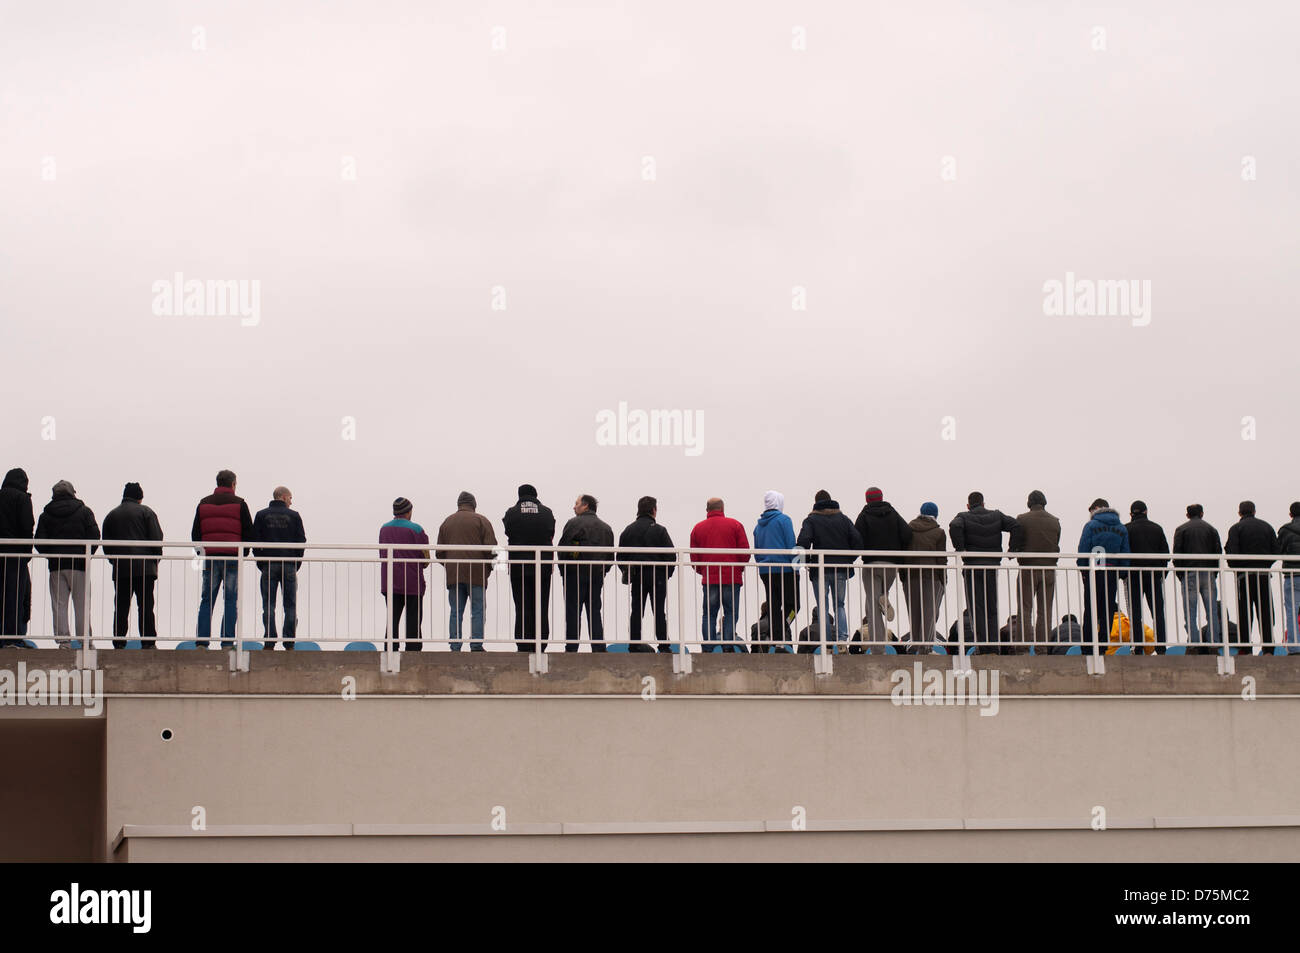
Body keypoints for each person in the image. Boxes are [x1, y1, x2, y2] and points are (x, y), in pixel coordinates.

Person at [191, 470, 255, 649]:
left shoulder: (203, 503)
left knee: (207, 600)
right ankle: (227, 642)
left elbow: (195, 533)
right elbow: (249, 532)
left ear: (218, 483)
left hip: (210, 557)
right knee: (230, 600)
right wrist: (244, 552)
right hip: (232, 557)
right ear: (233, 484)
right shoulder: (240, 504)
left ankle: (202, 642)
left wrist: (201, 553)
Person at [948, 492, 1017, 654]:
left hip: (972, 568)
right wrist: (1012, 549)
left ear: (968, 505)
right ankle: (993, 646)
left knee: (976, 609)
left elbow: (954, 526)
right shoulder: (996, 516)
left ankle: (983, 646)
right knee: (992, 608)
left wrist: (961, 549)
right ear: (984, 503)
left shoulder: (963, 516)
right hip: (991, 568)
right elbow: (1015, 525)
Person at [34, 480, 101, 648]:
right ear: (73, 493)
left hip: (57, 566)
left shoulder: (46, 514)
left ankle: (63, 641)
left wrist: (51, 555)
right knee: (82, 605)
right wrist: (86, 555)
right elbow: (94, 535)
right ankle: (85, 641)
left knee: (59, 605)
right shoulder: (84, 511)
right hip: (79, 564)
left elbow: (39, 541)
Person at [796, 490, 864, 650]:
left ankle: (826, 642)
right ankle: (841, 640)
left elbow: (803, 541)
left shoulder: (811, 520)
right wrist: (848, 560)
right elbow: (858, 542)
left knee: (822, 606)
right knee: (839, 604)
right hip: (840, 568)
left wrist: (805, 562)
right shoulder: (843, 519)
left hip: (819, 569)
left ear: (816, 502)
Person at [102, 482, 164, 649]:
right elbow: (157, 539)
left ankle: (119, 641)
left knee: (121, 606)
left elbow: (106, 545)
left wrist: (115, 560)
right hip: (145, 568)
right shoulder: (147, 512)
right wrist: (155, 561)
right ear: (140, 498)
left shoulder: (111, 515)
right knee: (145, 606)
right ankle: (148, 642)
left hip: (121, 569)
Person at [436, 492, 497, 652]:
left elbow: (439, 553)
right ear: (474, 505)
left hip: (454, 574)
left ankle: (455, 646)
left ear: (459, 504)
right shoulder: (482, 521)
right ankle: (476, 644)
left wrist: (450, 566)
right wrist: (488, 568)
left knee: (456, 611)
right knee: (477, 610)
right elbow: (492, 549)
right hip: (477, 574)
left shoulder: (447, 522)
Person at [854, 487, 912, 651]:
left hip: (872, 565)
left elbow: (856, 538)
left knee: (871, 607)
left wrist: (864, 550)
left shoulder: (864, 515)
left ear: (867, 500)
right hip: (891, 565)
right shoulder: (893, 513)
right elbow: (907, 534)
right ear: (881, 497)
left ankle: (878, 648)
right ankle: (883, 597)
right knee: (873, 600)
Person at [689, 498, 751, 653]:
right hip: (731, 577)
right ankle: (728, 646)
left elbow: (694, 559)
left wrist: (703, 571)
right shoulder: (735, 525)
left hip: (710, 578)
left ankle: (708, 648)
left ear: (707, 510)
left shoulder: (698, 528)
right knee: (731, 612)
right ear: (722, 508)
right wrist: (738, 568)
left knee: (709, 614)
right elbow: (745, 552)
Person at [617, 496, 676, 652]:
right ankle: (663, 645)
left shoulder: (628, 530)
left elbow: (620, 557)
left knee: (637, 610)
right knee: (658, 611)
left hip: (637, 575)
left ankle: (634, 643)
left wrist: (627, 571)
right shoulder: (660, 530)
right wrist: (665, 574)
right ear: (654, 510)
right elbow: (671, 556)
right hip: (657, 576)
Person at [502, 484, 555, 653]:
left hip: (519, 567)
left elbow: (508, 531)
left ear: (519, 495)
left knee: (522, 606)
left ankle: (523, 644)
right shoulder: (547, 512)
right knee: (541, 605)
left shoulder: (512, 512)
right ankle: (540, 644)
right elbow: (551, 531)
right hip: (543, 567)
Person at [251, 487, 306, 650]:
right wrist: (296, 562)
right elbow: (301, 541)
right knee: (290, 604)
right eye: (290, 497)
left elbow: (255, 541)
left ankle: (269, 640)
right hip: (288, 563)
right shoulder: (294, 516)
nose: (291, 501)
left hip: (268, 564)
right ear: (282, 497)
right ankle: (289, 641)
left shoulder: (261, 515)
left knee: (268, 604)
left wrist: (261, 562)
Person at [558, 494, 614, 652]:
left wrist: (564, 571)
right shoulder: (606, 528)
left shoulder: (573, 523)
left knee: (573, 611)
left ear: (585, 506)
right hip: (596, 575)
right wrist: (602, 571)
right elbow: (610, 556)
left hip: (574, 574)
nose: (573, 507)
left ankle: (571, 647)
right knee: (594, 611)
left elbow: (562, 549)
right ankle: (598, 647)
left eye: (576, 504)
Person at [1076, 499, 1130, 652]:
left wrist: (1084, 570)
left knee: (1090, 608)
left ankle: (1088, 645)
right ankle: (1103, 643)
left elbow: (1083, 550)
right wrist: (1123, 572)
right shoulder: (1121, 528)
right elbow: (1125, 552)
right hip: (1112, 572)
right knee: (1108, 608)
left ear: (1097, 509)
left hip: (1094, 571)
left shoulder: (1091, 526)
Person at [1225, 501, 1277, 655]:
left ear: (1239, 512)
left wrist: (1237, 568)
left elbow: (1231, 553)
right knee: (1265, 612)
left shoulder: (1236, 528)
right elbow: (1276, 550)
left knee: (1245, 612)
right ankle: (1268, 648)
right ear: (1254, 511)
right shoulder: (1266, 526)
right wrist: (1266, 565)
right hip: (1263, 575)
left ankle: (1246, 648)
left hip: (1244, 577)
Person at [1009, 490, 1060, 647]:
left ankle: (1022, 647)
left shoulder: (1022, 519)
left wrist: (1012, 552)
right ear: (1044, 502)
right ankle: (1042, 649)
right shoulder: (1055, 521)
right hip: (1049, 570)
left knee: (1025, 609)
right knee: (1045, 611)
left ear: (1029, 503)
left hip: (1028, 568)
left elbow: (1015, 544)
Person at [379, 497, 430, 651]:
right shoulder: (416, 529)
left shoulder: (384, 529)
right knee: (413, 617)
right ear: (408, 511)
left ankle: (391, 648)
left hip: (390, 580)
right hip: (412, 581)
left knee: (392, 617)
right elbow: (426, 558)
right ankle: (413, 649)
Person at [1172, 504, 1223, 654]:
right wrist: (1214, 572)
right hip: (1208, 573)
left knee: (1190, 612)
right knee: (1212, 611)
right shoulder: (1211, 529)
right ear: (1202, 513)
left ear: (1187, 515)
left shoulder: (1181, 529)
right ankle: (1213, 644)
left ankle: (1193, 644)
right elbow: (1218, 552)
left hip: (1190, 572)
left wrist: (1181, 574)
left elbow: (1177, 554)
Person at [753, 491, 798, 649]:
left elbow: (757, 550)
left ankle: (776, 637)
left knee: (773, 604)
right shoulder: (784, 520)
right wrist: (796, 567)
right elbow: (791, 544)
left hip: (766, 570)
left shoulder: (758, 526)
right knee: (794, 604)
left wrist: (762, 564)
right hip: (784, 568)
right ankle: (783, 627)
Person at [1124, 502, 1169, 654]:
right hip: (1153, 575)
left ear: (1131, 514)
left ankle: (1137, 646)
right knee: (1157, 612)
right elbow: (1165, 554)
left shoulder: (1126, 529)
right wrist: (1161, 574)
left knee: (1135, 613)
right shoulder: (1157, 528)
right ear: (1146, 511)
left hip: (1133, 576)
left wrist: (1124, 574)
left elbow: (1123, 553)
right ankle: (1161, 646)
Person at [903, 502, 946, 653]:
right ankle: (926, 647)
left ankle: (915, 643)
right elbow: (942, 559)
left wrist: (903, 577)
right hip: (931, 575)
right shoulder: (939, 532)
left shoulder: (908, 529)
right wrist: (943, 580)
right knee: (929, 612)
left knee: (914, 611)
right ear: (935, 515)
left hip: (910, 576)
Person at [0, 468, 35, 647]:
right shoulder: (22, 499)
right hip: (15, 555)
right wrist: (26, 552)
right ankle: (12, 638)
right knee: (14, 596)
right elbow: (27, 526)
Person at [1277, 503, 1300, 654]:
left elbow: (1278, 550)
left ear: (1290, 514)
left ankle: (1294, 647)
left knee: (1292, 611)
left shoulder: (1285, 530)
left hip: (1292, 575)